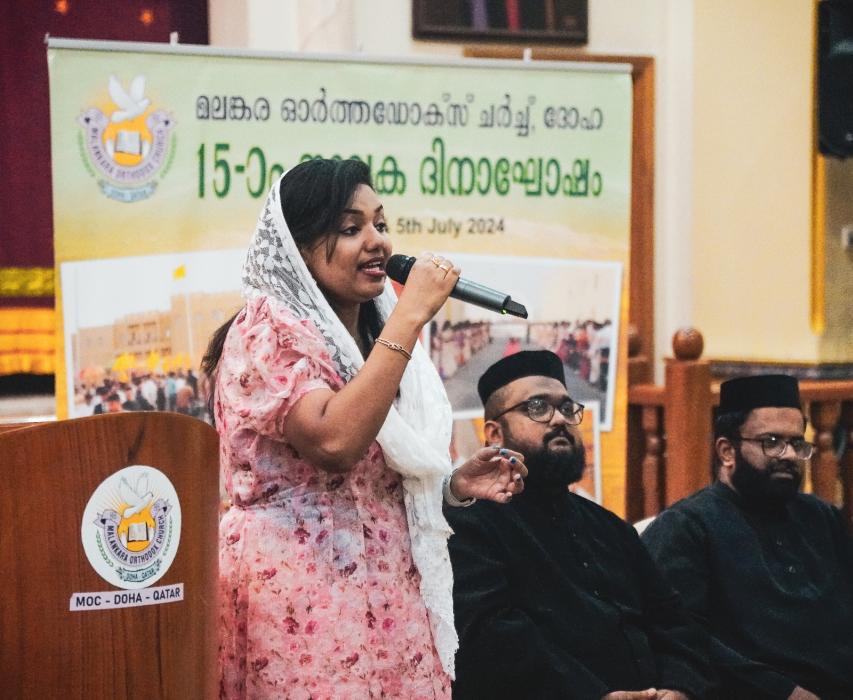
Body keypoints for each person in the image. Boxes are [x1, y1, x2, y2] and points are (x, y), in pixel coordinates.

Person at [201, 158, 527, 700]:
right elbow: (334, 442)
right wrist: (409, 316)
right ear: (298, 249)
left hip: (390, 592)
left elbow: (374, 474)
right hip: (300, 599)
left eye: (380, 223)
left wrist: (450, 484)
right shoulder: (267, 329)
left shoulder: (374, 335)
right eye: (351, 228)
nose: (377, 241)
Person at [446, 350, 714, 700]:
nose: (559, 419)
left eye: (567, 407)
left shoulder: (610, 527)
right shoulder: (472, 523)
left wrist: (680, 687)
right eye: (537, 407)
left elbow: (673, 621)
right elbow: (491, 639)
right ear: (495, 434)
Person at [641, 374, 853, 700]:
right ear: (727, 451)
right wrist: (783, 691)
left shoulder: (820, 517)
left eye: (797, 443)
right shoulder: (686, 527)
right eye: (772, 442)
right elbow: (682, 638)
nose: (788, 455)